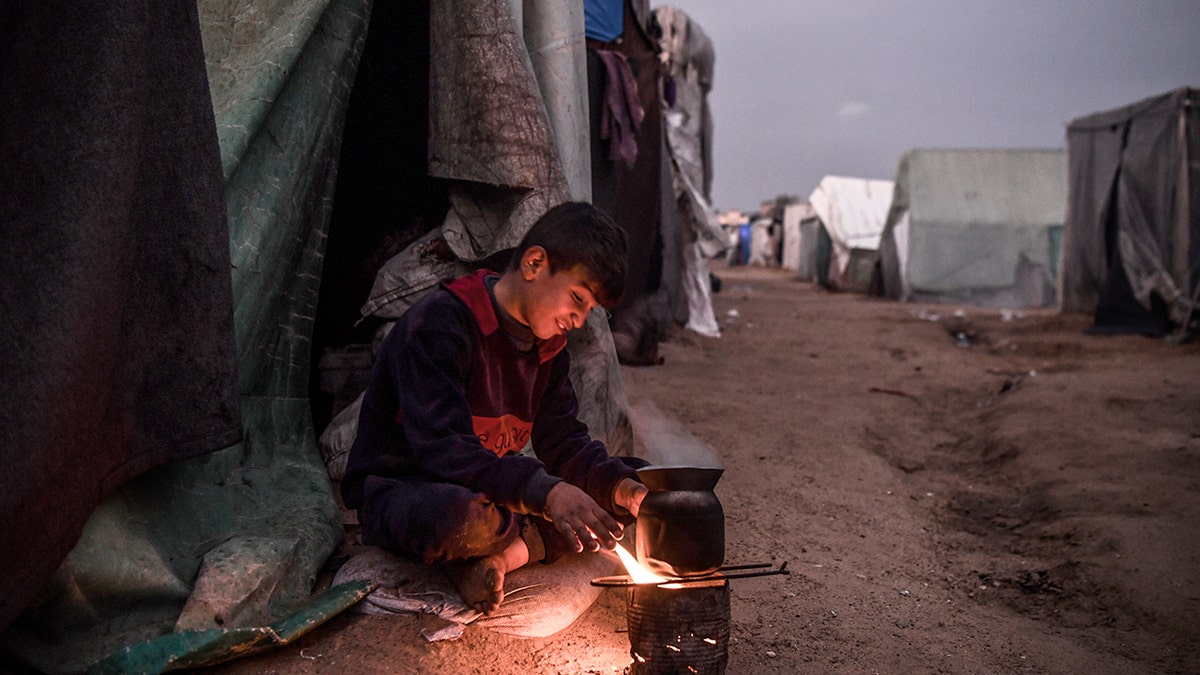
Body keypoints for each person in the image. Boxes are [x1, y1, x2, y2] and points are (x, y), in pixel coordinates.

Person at [341, 201, 648, 615]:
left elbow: (564, 441)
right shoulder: (440, 325)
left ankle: (499, 559)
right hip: (412, 490)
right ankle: (509, 543)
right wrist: (546, 493)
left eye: (588, 310)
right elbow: (445, 452)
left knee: (624, 487)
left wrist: (624, 489)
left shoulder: (549, 349)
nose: (578, 320)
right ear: (535, 262)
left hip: (491, 490)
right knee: (461, 518)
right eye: (577, 298)